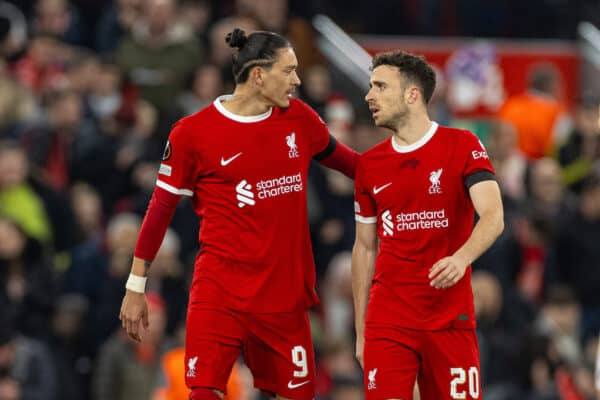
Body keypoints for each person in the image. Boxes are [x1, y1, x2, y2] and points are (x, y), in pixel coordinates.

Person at [119, 28, 358, 400]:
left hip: (283, 296)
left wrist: (412, 169)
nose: (298, 80)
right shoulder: (193, 133)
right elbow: (159, 210)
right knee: (203, 392)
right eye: (289, 70)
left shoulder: (300, 119)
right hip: (221, 291)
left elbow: (353, 166)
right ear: (259, 75)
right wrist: (136, 285)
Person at [352, 51, 504, 400]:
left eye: (380, 86)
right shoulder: (369, 165)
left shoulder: (462, 145)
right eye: (370, 86)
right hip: (387, 320)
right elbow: (364, 247)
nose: (369, 96)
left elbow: (493, 216)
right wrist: (362, 332)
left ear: (412, 94)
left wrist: (461, 258)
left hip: (449, 318)